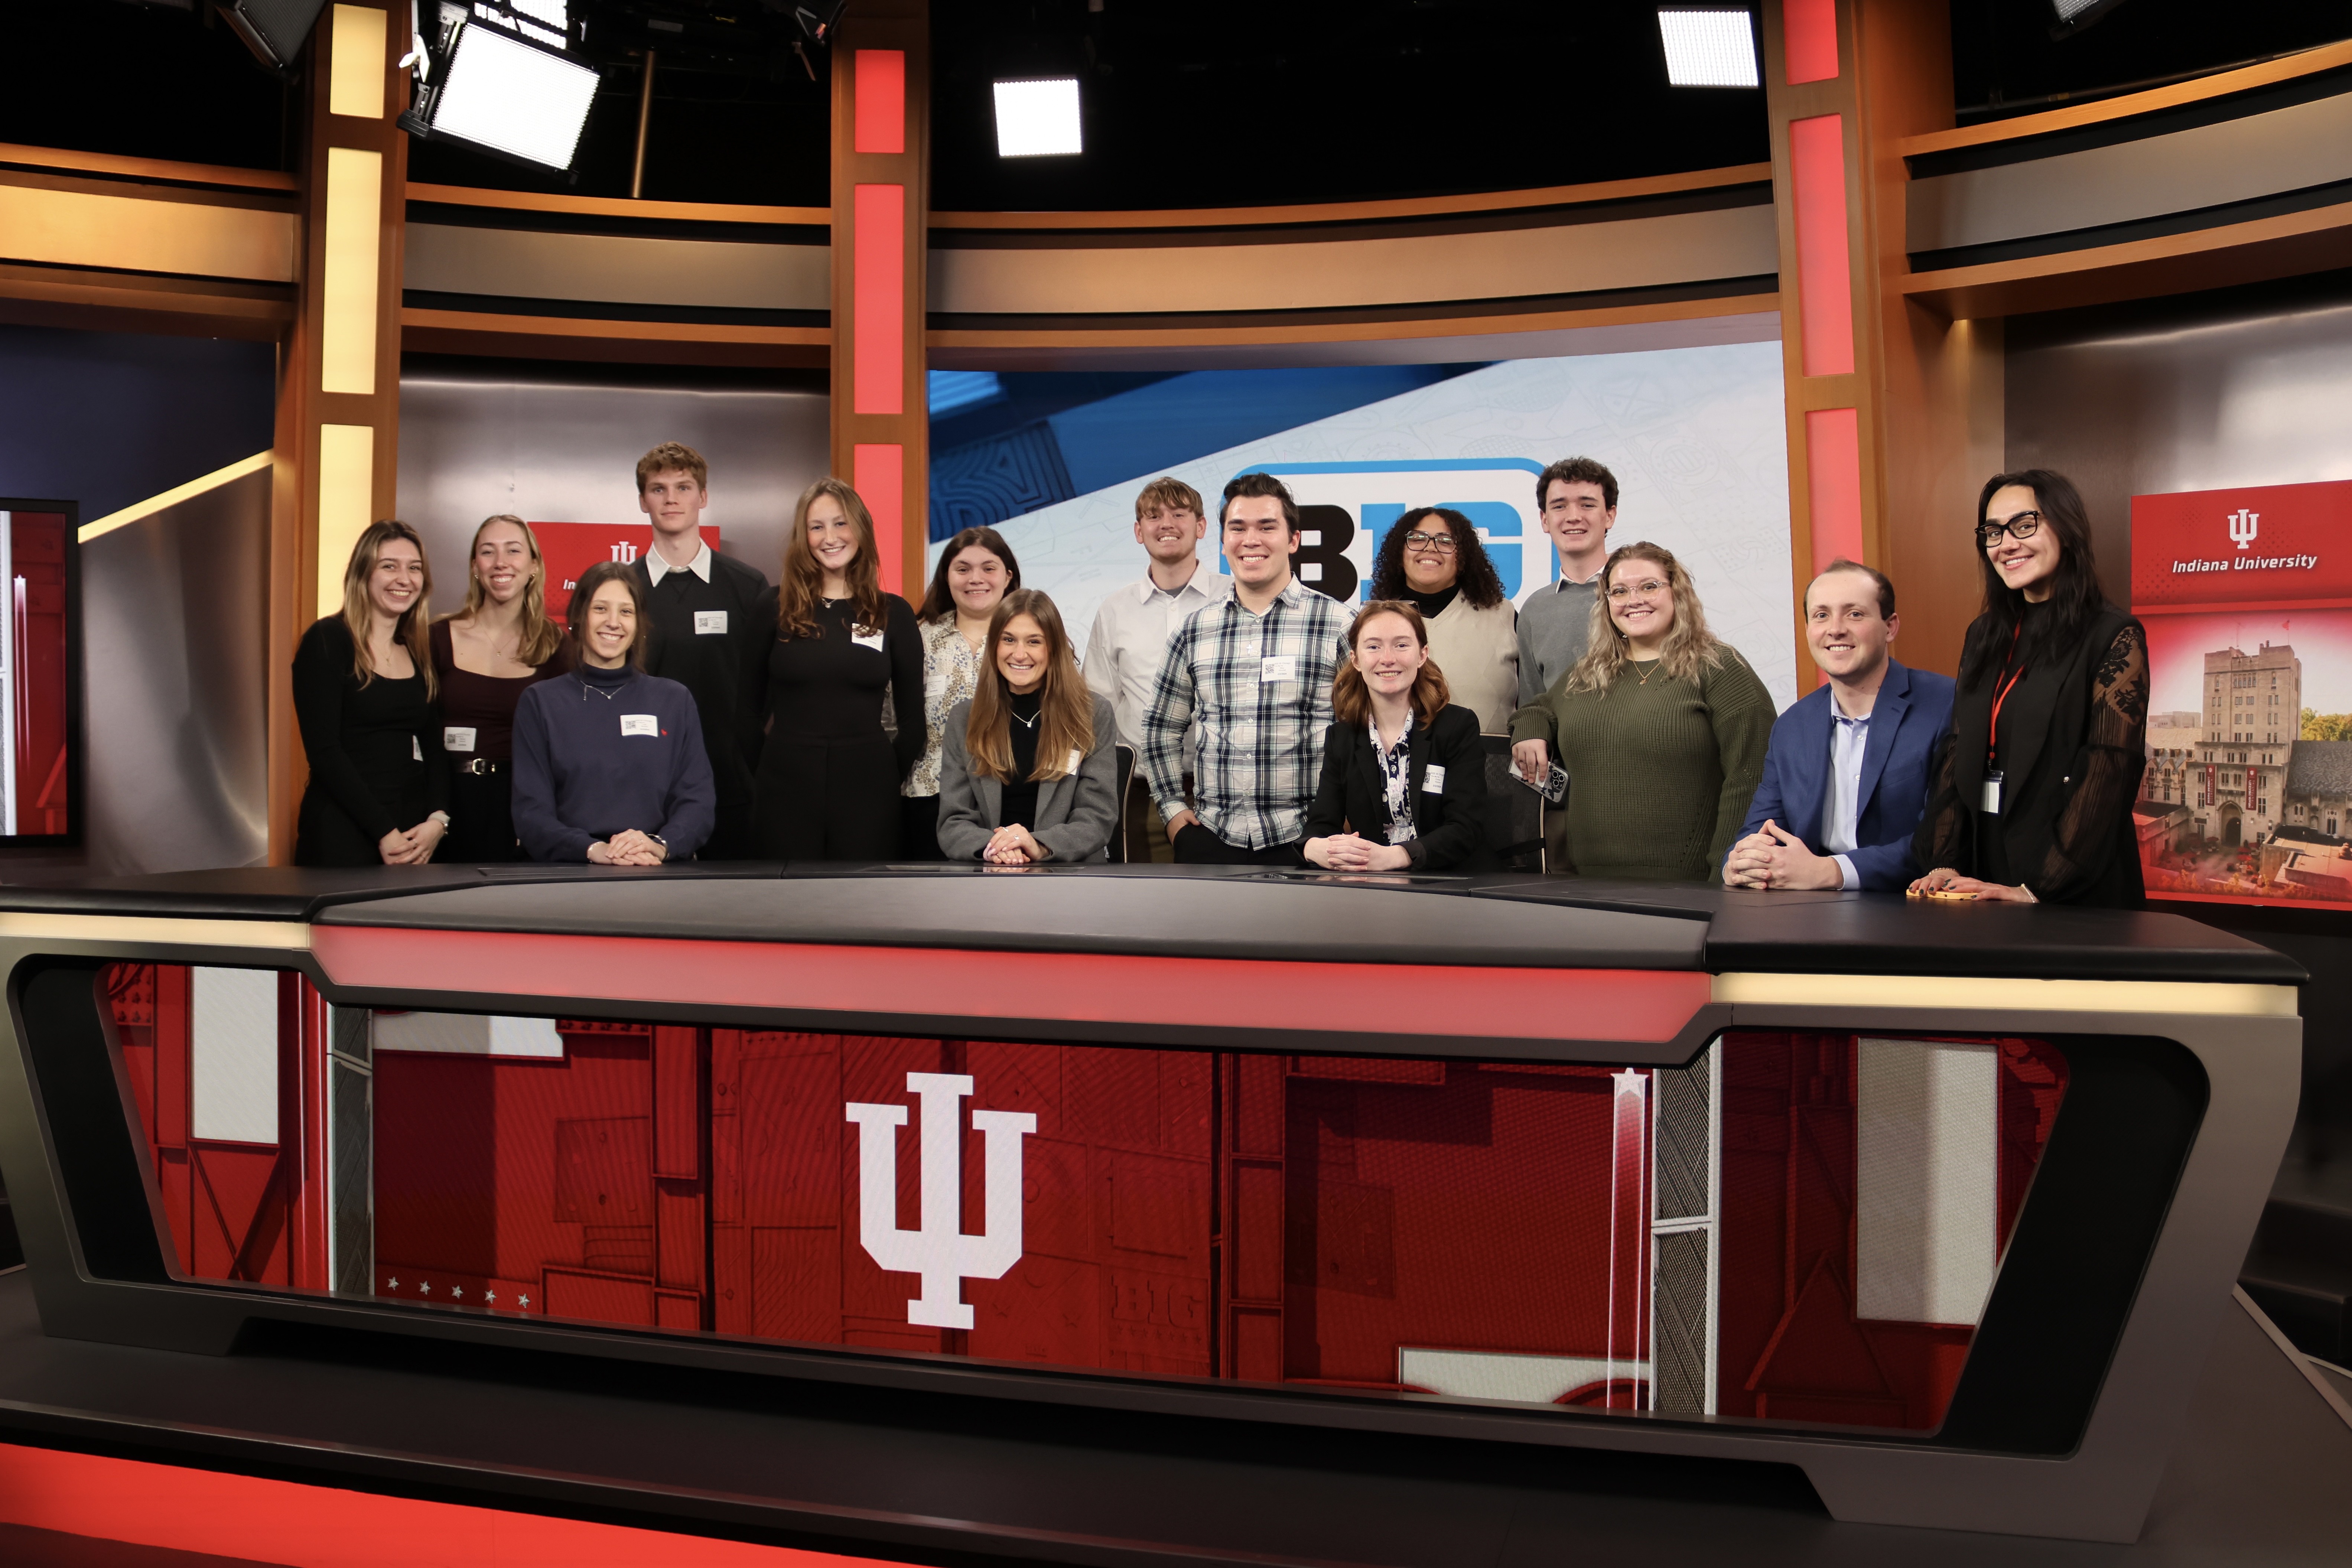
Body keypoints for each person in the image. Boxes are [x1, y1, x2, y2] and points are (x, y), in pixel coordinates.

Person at [1910, 469, 2148, 907]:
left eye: (2024, 525)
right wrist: (1945, 859)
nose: (2006, 544)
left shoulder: (2114, 635)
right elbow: (1957, 750)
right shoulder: (1983, 634)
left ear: (2067, 528)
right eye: (1993, 532)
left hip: (2072, 889)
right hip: (1983, 873)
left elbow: (2109, 770)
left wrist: (2038, 889)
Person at [1509, 541, 1772, 881]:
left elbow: (1750, 776)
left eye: (1649, 587)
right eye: (1619, 591)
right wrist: (1530, 729)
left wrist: (1725, 870)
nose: (1633, 600)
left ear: (1677, 593)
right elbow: (1538, 708)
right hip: (1586, 884)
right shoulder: (1589, 673)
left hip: (1691, 887)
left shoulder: (1719, 667)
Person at [1141, 473, 1351, 865]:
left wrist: (1350, 816)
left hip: (1311, 840)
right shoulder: (1193, 630)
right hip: (1211, 838)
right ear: (1223, 541)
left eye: (1267, 527)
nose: (1250, 540)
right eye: (1237, 528)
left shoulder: (1338, 625)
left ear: (1293, 540)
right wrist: (1172, 811)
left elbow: (1368, 731)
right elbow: (1160, 727)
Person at [1724, 560, 1955, 891]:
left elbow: (1944, 838)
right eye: (1821, 615)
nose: (1835, 629)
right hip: (1808, 906)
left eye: (1854, 614)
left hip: (1911, 903)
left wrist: (1831, 871)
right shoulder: (1792, 725)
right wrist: (1740, 864)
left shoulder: (1946, 705)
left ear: (1890, 627)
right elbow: (1761, 828)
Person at [748, 478, 924, 860]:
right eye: (817, 527)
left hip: (869, 789)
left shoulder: (894, 613)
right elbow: (746, 711)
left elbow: (914, 723)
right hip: (784, 787)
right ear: (804, 537)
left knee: (862, 895)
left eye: (841, 523)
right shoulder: (772, 606)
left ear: (860, 529)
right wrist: (770, 769)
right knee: (786, 894)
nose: (830, 538)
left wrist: (881, 774)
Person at [510, 562, 714, 863]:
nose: (613, 622)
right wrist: (593, 850)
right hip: (571, 871)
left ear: (639, 624)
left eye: (626, 612)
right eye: (601, 609)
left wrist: (659, 845)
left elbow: (698, 801)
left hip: (655, 867)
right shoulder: (540, 702)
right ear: (578, 616)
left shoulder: (674, 700)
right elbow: (531, 813)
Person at [628, 442, 770, 859]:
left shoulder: (747, 586)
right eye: (658, 489)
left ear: (703, 497)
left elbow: (767, 686)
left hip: (732, 784)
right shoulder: (622, 589)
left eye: (684, 488)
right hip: (642, 784)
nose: (671, 499)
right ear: (643, 501)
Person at [1083, 477, 1231, 863]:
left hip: (1231, 793)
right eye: (1154, 516)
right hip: (1141, 796)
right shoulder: (1115, 610)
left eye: (1179, 514)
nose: (1166, 524)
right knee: (1146, 899)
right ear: (1139, 531)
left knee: (1229, 899)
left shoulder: (1233, 598)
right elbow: (1098, 705)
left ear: (1201, 526)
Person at [293, 520, 450, 867]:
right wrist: (384, 832)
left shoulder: (417, 650)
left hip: (411, 836)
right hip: (343, 832)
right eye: (389, 566)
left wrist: (438, 820)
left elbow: (434, 747)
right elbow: (324, 751)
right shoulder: (328, 639)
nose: (404, 579)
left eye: (414, 568)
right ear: (362, 574)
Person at [1301, 601, 1489, 873]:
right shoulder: (1341, 737)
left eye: (1401, 645)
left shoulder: (1457, 726)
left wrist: (1396, 856)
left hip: (1449, 879)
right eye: (1373, 647)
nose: (1387, 659)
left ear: (1422, 655)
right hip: (1371, 884)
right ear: (1356, 660)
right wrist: (1314, 848)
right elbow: (1320, 826)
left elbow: (1465, 827)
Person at [936, 589, 1120, 863]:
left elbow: (1097, 817)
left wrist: (1039, 846)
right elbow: (953, 821)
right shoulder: (964, 718)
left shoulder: (1093, 713)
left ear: (1054, 648)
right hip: (989, 868)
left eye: (1034, 642)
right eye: (1009, 640)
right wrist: (997, 849)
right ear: (994, 646)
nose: (1019, 654)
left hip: (1068, 873)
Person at [430, 514, 571, 862]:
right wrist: (434, 813)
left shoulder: (557, 647)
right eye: (488, 552)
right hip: (445, 807)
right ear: (475, 567)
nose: (500, 563)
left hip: (522, 808)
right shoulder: (436, 638)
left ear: (534, 565)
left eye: (513, 550)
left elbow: (566, 746)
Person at [904, 526, 1020, 859]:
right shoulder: (917, 638)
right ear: (946, 576)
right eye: (963, 569)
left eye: (988, 568)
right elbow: (891, 719)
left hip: (1010, 798)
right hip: (929, 797)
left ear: (1008, 576)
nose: (975, 579)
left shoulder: (1031, 639)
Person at [1368, 507, 1518, 733]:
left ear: (1464, 555)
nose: (1430, 547)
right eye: (1417, 539)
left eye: (1446, 541)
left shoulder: (1505, 615)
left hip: (1493, 756)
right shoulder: (1371, 622)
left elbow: (1534, 700)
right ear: (1400, 552)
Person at [1516, 457, 1618, 707]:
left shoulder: (1645, 596)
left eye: (1587, 505)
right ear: (1544, 520)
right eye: (1560, 506)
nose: (1573, 517)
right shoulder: (1535, 609)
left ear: (1610, 516)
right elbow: (1533, 708)